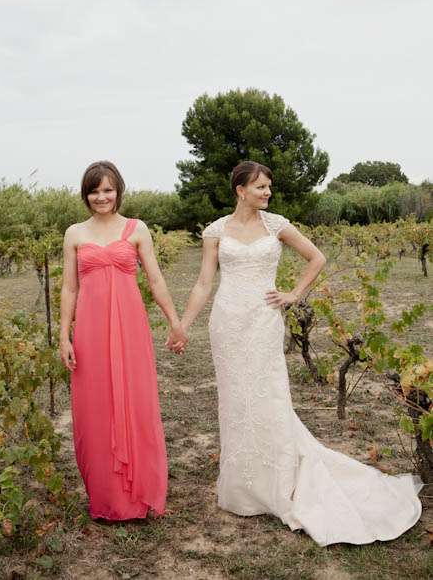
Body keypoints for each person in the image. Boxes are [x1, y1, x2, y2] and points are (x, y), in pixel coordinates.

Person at [179, 160, 423, 546]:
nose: (267, 192)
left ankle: (278, 482)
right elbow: (203, 283)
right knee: (235, 400)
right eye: (260, 187)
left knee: (269, 396)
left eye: (268, 186)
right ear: (240, 190)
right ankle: (243, 485)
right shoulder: (215, 231)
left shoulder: (276, 225)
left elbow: (317, 258)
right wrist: (183, 325)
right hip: (227, 323)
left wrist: (294, 294)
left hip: (263, 321)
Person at [59, 160, 187, 521]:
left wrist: (175, 323)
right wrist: (64, 336)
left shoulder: (137, 229)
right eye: (94, 191)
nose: (101, 197)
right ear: (86, 194)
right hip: (90, 331)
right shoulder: (74, 234)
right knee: (95, 406)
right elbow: (69, 288)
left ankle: (138, 494)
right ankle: (106, 498)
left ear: (118, 191)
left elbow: (156, 281)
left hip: (130, 328)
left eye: (108, 190)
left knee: (136, 400)